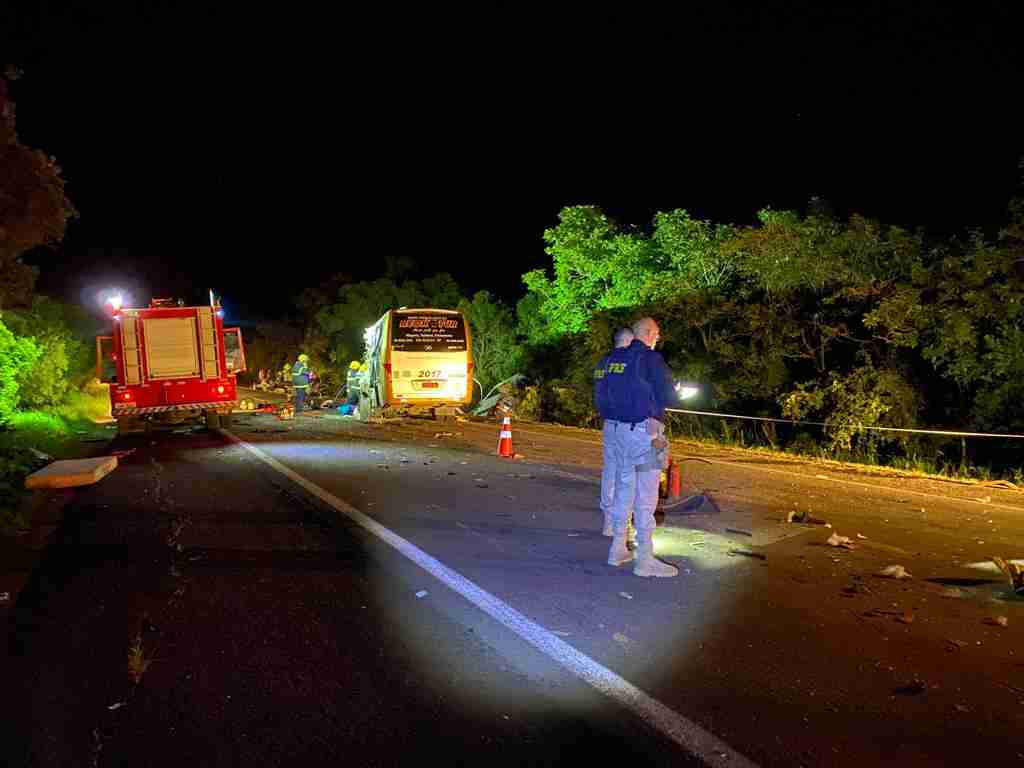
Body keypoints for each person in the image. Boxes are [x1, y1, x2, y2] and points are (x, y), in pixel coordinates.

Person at [601, 317, 680, 578]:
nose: (657, 339)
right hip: (647, 436)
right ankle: (645, 559)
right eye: (656, 334)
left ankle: (617, 548)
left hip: (620, 432)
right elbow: (670, 396)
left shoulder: (615, 359)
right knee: (646, 495)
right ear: (648, 333)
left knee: (624, 488)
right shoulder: (649, 359)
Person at [594, 327, 636, 543]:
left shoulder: (604, 362)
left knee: (610, 471)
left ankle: (608, 520)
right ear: (629, 341)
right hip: (625, 424)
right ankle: (622, 523)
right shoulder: (629, 362)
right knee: (626, 474)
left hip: (608, 423)